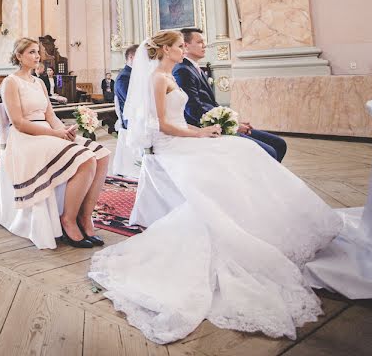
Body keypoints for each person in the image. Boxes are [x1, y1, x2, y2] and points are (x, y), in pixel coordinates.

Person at [88, 30, 341, 344]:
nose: (183, 50)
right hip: (172, 147)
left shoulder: (170, 75)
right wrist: (199, 135)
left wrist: (203, 130)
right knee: (238, 155)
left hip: (185, 139)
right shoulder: (157, 79)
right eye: (180, 46)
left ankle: (260, 222)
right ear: (166, 49)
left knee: (243, 151)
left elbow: (179, 118)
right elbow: (161, 125)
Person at [0, 38, 111, 248]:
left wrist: (64, 131)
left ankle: (84, 217)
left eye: (37, 52)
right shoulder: (10, 82)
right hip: (26, 137)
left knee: (102, 155)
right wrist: (54, 134)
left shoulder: (39, 82)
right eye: (32, 52)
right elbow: (19, 123)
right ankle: (67, 220)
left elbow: (50, 115)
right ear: (19, 56)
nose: (37, 56)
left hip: (48, 132)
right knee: (86, 159)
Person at [174, 28, 287, 162]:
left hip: (218, 122)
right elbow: (193, 110)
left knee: (279, 144)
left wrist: (233, 121)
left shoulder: (194, 68)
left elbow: (212, 105)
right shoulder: (183, 71)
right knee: (270, 151)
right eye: (199, 42)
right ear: (186, 46)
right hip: (207, 128)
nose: (204, 46)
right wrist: (230, 125)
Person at [114, 45, 137, 130]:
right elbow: (131, 102)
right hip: (131, 123)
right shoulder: (124, 77)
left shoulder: (132, 74)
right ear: (131, 57)